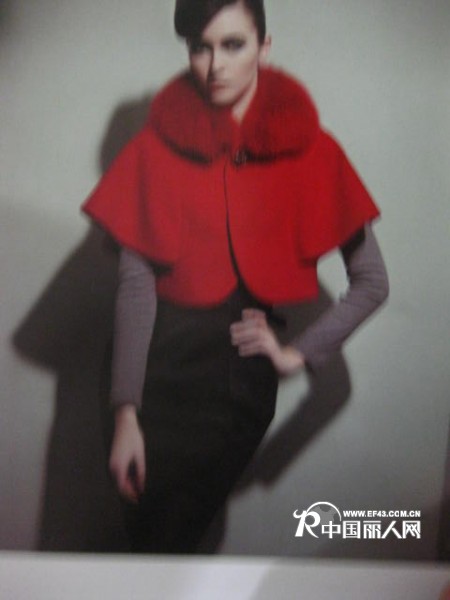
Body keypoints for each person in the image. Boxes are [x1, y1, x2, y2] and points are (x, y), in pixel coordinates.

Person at [82, 0, 389, 553]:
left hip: (232, 391)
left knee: (168, 543)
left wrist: (296, 354)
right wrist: (125, 411)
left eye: (233, 44)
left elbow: (372, 283)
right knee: (146, 549)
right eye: (200, 48)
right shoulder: (155, 148)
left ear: (264, 48)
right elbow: (135, 285)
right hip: (150, 378)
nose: (215, 65)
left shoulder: (313, 150)